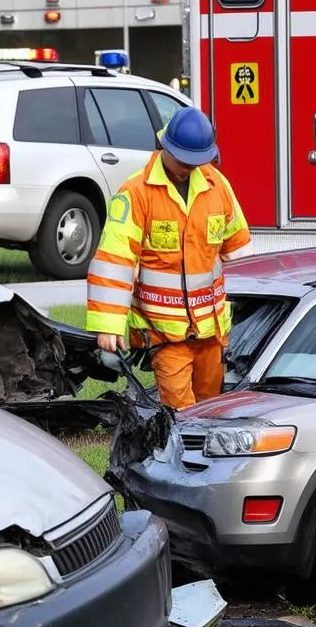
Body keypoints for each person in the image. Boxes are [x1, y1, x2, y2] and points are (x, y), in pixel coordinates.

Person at [85, 106, 254, 410]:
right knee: (181, 411)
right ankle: (183, 458)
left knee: (211, 407)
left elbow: (239, 250)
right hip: (164, 334)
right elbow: (115, 259)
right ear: (164, 146)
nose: (189, 167)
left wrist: (255, 308)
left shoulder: (217, 187)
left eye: (197, 161)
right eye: (184, 160)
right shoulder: (137, 193)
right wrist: (108, 326)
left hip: (211, 332)